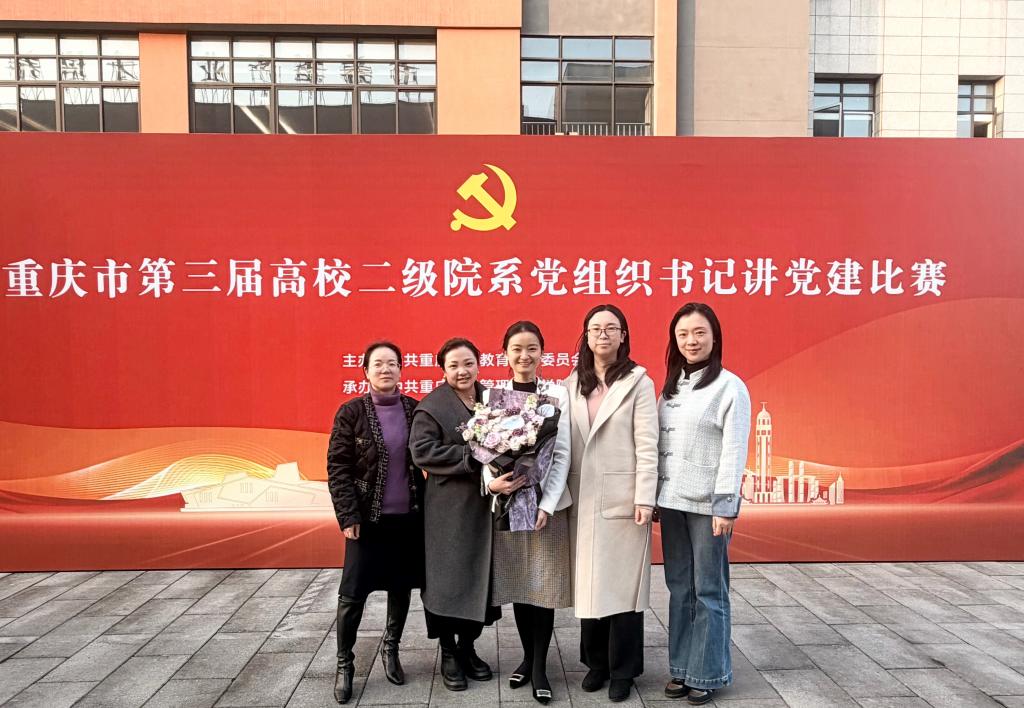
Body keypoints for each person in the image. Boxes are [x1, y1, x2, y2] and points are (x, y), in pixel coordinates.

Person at [656, 303, 751, 705]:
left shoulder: (730, 387)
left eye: (699, 333)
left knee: (709, 589)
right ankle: (681, 667)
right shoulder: (672, 386)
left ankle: (708, 672)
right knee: (680, 587)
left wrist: (726, 505)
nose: (691, 341)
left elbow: (734, 449)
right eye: (683, 334)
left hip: (708, 505)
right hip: (671, 502)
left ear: (715, 337)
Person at [564, 304, 659, 703]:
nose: (602, 335)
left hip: (623, 499)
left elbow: (648, 443)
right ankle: (596, 664)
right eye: (595, 328)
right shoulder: (572, 383)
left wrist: (645, 497)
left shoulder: (638, 381)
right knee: (590, 584)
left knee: (623, 588)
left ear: (623, 336)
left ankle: (623, 670)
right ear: (585, 336)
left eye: (611, 328)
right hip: (582, 497)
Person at [326, 341, 425, 704]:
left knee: (401, 588)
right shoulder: (351, 412)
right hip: (366, 521)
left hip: (408, 518)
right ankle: (345, 663)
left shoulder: (414, 409)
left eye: (392, 363)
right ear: (365, 371)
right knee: (352, 595)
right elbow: (338, 467)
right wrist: (348, 514)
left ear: (401, 369)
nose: (386, 369)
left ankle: (391, 648)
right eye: (378, 364)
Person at [482, 321, 572, 704]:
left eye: (532, 348)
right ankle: (526, 657)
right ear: (505, 353)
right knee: (519, 583)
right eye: (517, 348)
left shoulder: (557, 394)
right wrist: (493, 483)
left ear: (542, 352)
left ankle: (540, 668)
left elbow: (562, 454)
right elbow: (483, 448)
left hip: (544, 506)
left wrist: (548, 503)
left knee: (543, 585)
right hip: (508, 505)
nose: (524, 355)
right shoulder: (492, 396)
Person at [409, 337, 501, 692]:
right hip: (447, 509)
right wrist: (468, 456)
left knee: (480, 578)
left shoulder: (493, 399)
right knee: (446, 580)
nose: (462, 371)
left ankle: (468, 647)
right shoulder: (431, 407)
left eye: (468, 363)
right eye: (454, 365)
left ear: (479, 364)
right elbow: (422, 451)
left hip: (485, 505)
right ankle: (448, 651)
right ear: (443, 370)